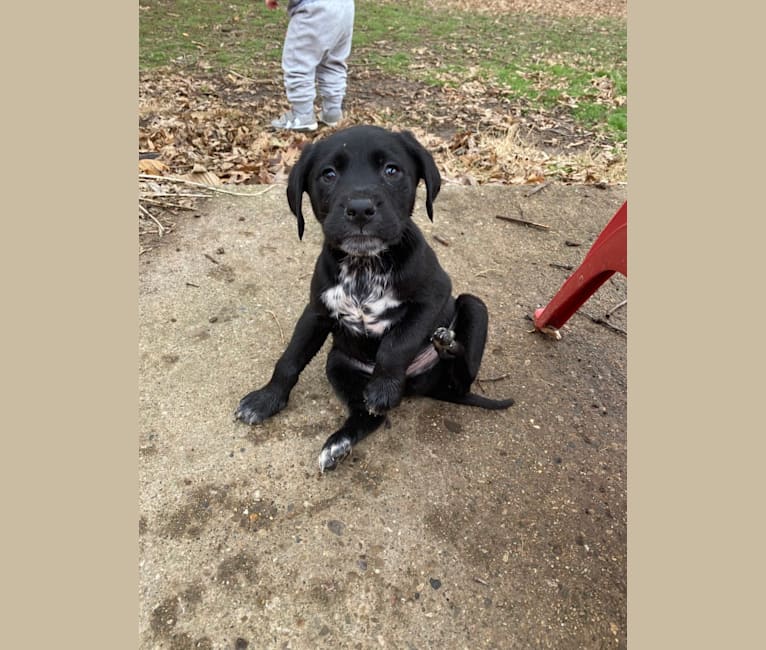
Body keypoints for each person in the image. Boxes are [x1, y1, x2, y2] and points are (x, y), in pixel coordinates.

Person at [264, 0, 355, 132]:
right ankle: (333, 110)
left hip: (314, 8)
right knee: (333, 61)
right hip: (345, 7)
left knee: (298, 61)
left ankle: (302, 115)